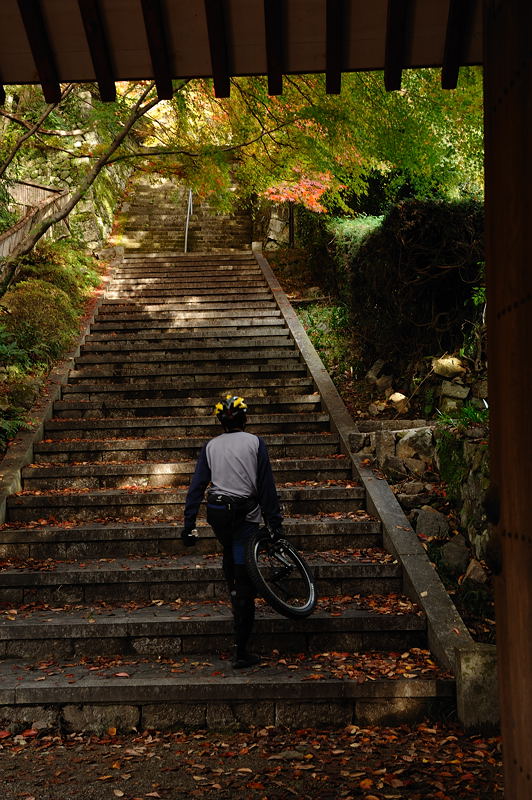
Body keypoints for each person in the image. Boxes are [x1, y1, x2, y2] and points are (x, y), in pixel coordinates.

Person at [181, 394, 284, 668]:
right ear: (244, 418)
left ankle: (234, 585)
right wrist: (275, 523)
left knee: (230, 550)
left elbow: (197, 486)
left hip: (217, 513)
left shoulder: (211, 446)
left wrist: (189, 524)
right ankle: (241, 650)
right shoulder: (254, 442)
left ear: (220, 421)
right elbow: (266, 486)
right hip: (244, 514)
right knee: (244, 575)